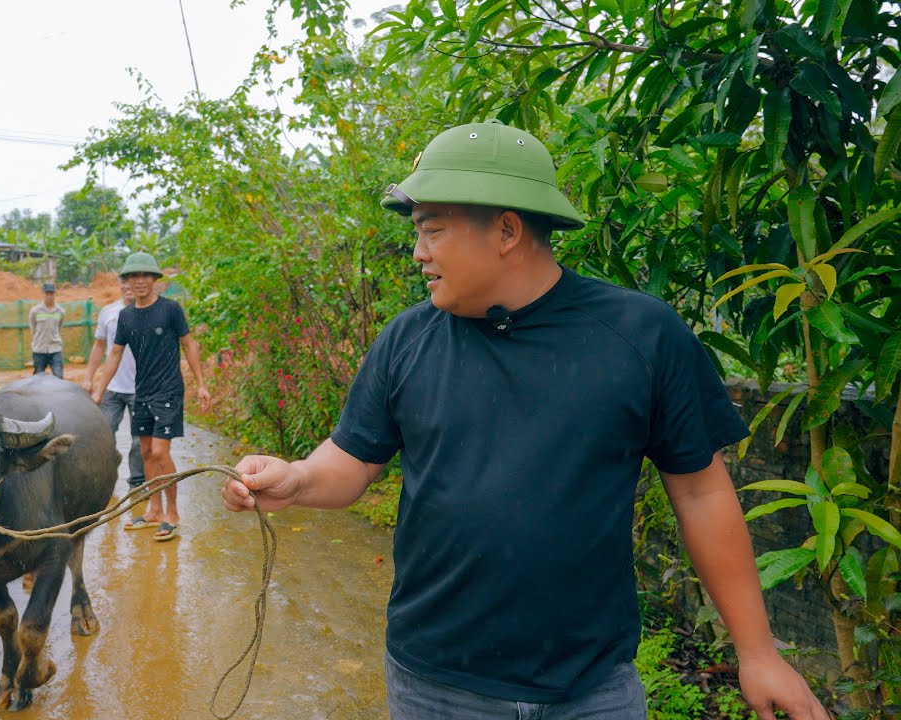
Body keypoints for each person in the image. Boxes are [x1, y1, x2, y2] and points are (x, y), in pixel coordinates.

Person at [221, 122, 829, 720]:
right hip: (436, 685)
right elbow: (353, 460)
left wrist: (757, 652)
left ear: (507, 231)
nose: (418, 252)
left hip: (592, 690)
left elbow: (700, 492)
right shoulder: (408, 340)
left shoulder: (640, 336)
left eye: (432, 230)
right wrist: (297, 479)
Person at [92, 252, 211, 542]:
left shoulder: (170, 310)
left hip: (169, 390)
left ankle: (173, 513)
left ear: (155, 279)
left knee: (159, 452)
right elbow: (114, 355)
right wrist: (99, 390)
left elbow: (188, 344)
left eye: (145, 275)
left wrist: (201, 384)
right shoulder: (126, 316)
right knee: (145, 451)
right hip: (142, 390)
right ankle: (154, 510)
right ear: (127, 281)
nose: (140, 280)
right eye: (134, 276)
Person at [84, 276, 145, 490]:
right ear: (120, 285)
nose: (128, 286)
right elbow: (99, 346)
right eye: (124, 281)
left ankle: (137, 482)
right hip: (112, 388)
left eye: (131, 281)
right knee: (104, 433)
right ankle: (107, 474)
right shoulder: (108, 312)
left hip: (141, 388)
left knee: (139, 440)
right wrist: (89, 378)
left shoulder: (149, 312)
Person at [27, 282, 65, 378]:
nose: (49, 296)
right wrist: (38, 339)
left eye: (51, 293)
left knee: (58, 377)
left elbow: (59, 328)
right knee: (38, 378)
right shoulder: (35, 311)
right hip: (39, 350)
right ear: (43, 294)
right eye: (47, 293)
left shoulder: (60, 311)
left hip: (55, 349)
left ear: (55, 294)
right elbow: (33, 328)